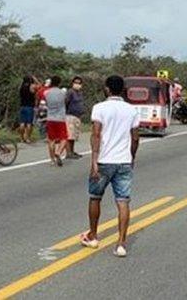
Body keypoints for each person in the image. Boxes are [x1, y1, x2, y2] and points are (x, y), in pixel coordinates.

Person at [81, 75, 140, 257]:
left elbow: (96, 135)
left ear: (107, 89)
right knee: (123, 201)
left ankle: (93, 236)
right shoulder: (132, 110)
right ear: (122, 90)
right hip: (123, 160)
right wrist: (132, 157)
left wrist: (94, 162)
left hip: (104, 160)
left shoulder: (99, 108)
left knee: (95, 197)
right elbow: (136, 137)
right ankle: (121, 243)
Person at [44, 76, 68, 166]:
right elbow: (65, 100)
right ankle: (58, 152)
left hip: (50, 118)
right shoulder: (63, 92)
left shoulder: (47, 92)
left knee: (51, 140)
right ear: (59, 83)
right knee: (64, 138)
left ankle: (52, 160)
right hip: (60, 118)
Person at [65, 76, 86, 159]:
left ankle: (72, 151)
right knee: (69, 135)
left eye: (79, 83)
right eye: (76, 83)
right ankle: (68, 152)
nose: (77, 84)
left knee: (73, 136)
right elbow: (66, 102)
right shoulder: (70, 92)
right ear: (72, 83)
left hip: (77, 116)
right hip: (70, 116)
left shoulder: (79, 93)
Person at [18, 76, 36, 144]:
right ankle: (27, 138)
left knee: (22, 123)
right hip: (29, 107)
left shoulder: (21, 87)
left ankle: (22, 138)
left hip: (22, 106)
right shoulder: (31, 87)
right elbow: (40, 86)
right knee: (29, 123)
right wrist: (35, 79)